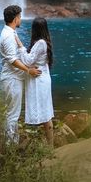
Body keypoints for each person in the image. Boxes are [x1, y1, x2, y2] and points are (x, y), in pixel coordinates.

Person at [0, 5, 41, 143]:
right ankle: (10, 146)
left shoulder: (11, 33)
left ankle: (11, 141)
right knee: (13, 114)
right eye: (20, 17)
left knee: (12, 112)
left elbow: (18, 52)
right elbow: (12, 60)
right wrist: (28, 70)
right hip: (12, 79)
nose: (21, 19)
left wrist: (28, 64)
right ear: (16, 19)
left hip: (13, 78)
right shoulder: (8, 37)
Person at [14, 17, 54, 147]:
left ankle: (50, 146)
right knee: (43, 112)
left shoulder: (41, 43)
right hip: (41, 79)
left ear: (35, 30)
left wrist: (19, 44)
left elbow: (28, 60)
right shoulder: (43, 42)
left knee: (45, 114)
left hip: (40, 81)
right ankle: (47, 146)